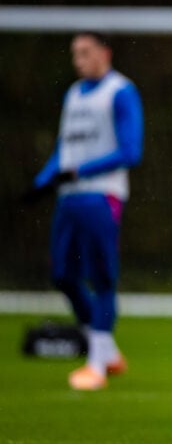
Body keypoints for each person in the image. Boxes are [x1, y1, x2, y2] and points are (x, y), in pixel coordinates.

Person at [24, 31, 144, 391]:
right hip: (70, 199)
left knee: (102, 277)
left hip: (101, 196)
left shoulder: (121, 91)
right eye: (75, 53)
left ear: (105, 52)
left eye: (85, 52)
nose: (78, 60)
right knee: (62, 275)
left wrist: (81, 171)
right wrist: (41, 182)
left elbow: (130, 151)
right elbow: (65, 150)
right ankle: (106, 351)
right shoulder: (74, 94)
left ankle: (96, 364)